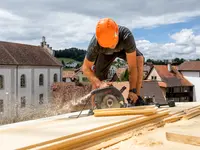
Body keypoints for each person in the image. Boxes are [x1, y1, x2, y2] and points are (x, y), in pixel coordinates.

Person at [82, 18, 145, 114]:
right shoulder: (95, 44)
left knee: (139, 59)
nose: (110, 47)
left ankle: (136, 98)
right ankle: (95, 106)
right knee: (97, 76)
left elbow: (132, 67)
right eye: (107, 45)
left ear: (117, 34)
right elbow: (85, 68)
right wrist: (100, 84)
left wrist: (132, 90)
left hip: (123, 49)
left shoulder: (126, 36)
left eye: (111, 44)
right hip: (104, 54)